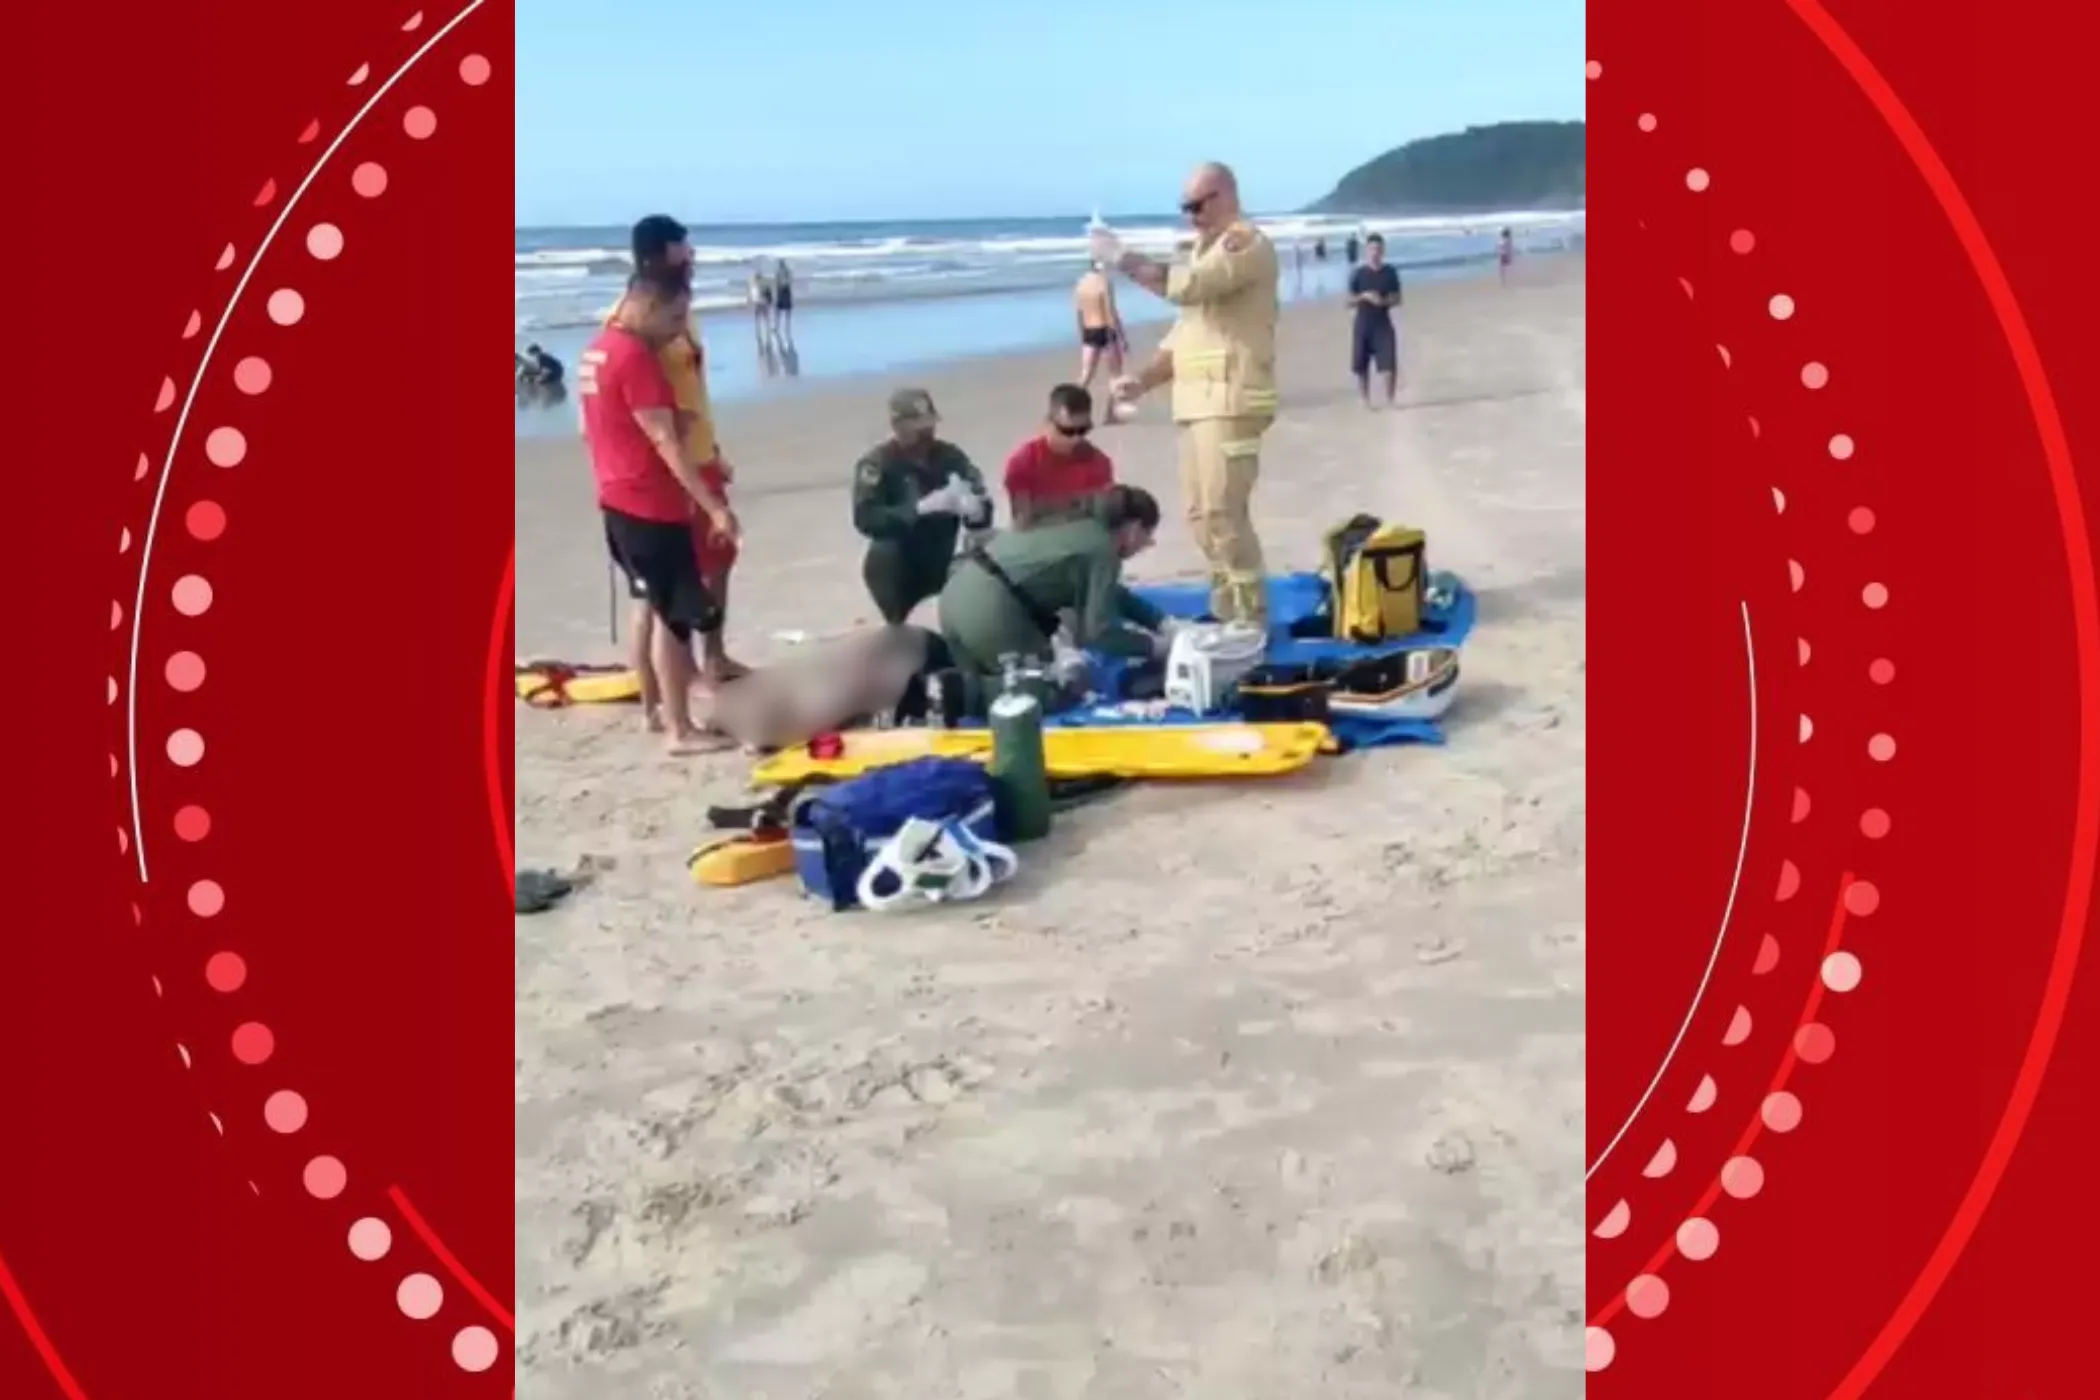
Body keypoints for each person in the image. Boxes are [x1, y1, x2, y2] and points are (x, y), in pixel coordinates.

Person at [1104, 161, 1280, 626]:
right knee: (1201, 516)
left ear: (1225, 195)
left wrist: (1124, 259)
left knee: (1225, 512)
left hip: (1233, 398)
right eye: (1184, 207)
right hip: (1197, 404)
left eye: (1197, 204)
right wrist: (1140, 380)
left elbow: (1189, 288)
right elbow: (1183, 338)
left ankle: (1252, 616)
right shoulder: (1203, 252)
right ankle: (1227, 610)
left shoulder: (1245, 245)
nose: (1191, 215)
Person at [577, 269, 739, 754]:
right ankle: (680, 730)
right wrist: (713, 508)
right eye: (672, 317)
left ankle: (654, 711)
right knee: (674, 620)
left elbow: (602, 426)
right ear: (646, 304)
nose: (675, 330)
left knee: (647, 605)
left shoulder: (597, 349)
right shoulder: (635, 358)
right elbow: (665, 442)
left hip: (615, 497)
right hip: (651, 504)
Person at [605, 214, 748, 699]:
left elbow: (694, 390)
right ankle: (662, 692)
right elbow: (629, 411)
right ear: (659, 255)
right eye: (684, 250)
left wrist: (715, 449)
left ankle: (714, 656)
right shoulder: (633, 322)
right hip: (668, 472)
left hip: (700, 454)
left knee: (719, 561)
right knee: (662, 588)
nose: (693, 258)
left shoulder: (682, 313)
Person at [937, 485, 1171, 708]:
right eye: (1146, 538)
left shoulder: (1073, 522)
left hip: (954, 595)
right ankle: (958, 695)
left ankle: (945, 688)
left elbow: (1110, 592)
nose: (1143, 546)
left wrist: (1159, 621)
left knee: (987, 675)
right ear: (1133, 529)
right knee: (1060, 687)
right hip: (989, 610)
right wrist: (1154, 647)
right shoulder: (1103, 550)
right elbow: (1099, 632)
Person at [852, 388, 992, 624]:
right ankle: (898, 623)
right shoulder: (878, 464)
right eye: (918, 430)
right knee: (886, 553)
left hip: (941, 556)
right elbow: (865, 517)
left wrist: (975, 509)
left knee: (988, 553)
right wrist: (919, 509)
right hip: (898, 566)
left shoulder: (950, 457)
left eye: (929, 427)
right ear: (898, 426)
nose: (925, 435)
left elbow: (981, 504)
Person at [1005, 384, 1115, 529]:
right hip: (1039, 541)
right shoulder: (1024, 462)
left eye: (1083, 430)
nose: (1076, 438)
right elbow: (1022, 522)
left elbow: (1103, 518)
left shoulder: (1099, 463)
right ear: (1048, 423)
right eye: (1067, 431)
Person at [1347, 232, 1403, 406]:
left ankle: (1390, 400)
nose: (1375, 252)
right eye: (1372, 249)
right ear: (1366, 251)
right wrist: (1364, 296)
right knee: (1361, 364)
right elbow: (1348, 301)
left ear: (1383, 251)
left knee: (1388, 363)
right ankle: (1365, 400)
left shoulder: (1390, 272)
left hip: (1382, 322)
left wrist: (1383, 301)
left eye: (1378, 249)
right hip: (1363, 322)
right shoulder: (1358, 274)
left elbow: (1398, 299)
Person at [1072, 262, 1126, 389]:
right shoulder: (1104, 282)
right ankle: (1113, 408)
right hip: (1106, 330)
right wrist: (1122, 337)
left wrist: (1082, 336)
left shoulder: (1081, 283)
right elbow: (1110, 311)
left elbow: (1079, 312)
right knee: (1116, 376)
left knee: (1086, 374)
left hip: (1088, 330)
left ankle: (1072, 403)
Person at [748, 267, 773, 349]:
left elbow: (765, 293)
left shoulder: (756, 284)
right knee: (762, 317)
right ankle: (763, 331)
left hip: (761, 302)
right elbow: (752, 294)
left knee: (761, 317)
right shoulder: (757, 283)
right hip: (760, 302)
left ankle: (762, 331)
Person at [773, 259, 795, 341]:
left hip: (784, 290)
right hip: (783, 290)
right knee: (783, 310)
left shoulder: (784, 272)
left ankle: (781, 326)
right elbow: (779, 282)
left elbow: (787, 281)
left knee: (783, 310)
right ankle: (780, 326)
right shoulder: (782, 272)